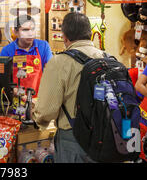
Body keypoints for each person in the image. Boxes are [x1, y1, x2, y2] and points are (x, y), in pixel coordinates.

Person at [32, 12, 105, 163]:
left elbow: (46, 111)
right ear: (90, 33)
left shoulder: (59, 62)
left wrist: (37, 120)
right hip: (106, 136)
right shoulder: (108, 58)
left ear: (64, 37)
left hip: (74, 139)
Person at [0, 15, 52, 96]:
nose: (30, 33)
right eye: (25, 30)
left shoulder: (43, 46)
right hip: (17, 100)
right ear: (15, 32)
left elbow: (50, 72)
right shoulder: (7, 51)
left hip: (39, 99)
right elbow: (3, 79)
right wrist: (15, 91)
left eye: (33, 29)